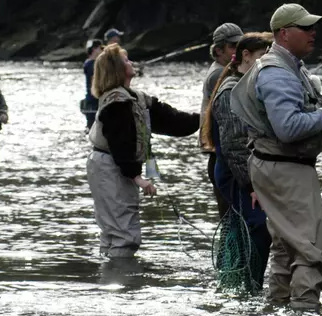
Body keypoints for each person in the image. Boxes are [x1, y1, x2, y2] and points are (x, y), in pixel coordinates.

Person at [231, 3, 322, 311]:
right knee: (311, 249)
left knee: (285, 247)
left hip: (276, 166)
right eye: (306, 28)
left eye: (313, 27)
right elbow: (288, 128)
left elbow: (310, 115)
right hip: (286, 169)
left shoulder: (291, 68)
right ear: (284, 34)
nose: (313, 33)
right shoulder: (277, 74)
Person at [87, 44, 199, 258]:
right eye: (126, 60)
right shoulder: (116, 103)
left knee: (114, 231)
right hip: (109, 166)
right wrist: (138, 178)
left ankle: (109, 280)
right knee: (124, 235)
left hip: (113, 165)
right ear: (117, 69)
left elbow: (171, 121)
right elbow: (120, 144)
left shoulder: (135, 98)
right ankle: (124, 285)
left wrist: (203, 119)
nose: (131, 63)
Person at [200, 32, 274, 290]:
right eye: (262, 57)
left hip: (244, 172)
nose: (266, 64)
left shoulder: (247, 85)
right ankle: (249, 286)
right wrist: (253, 186)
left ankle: (243, 281)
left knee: (246, 229)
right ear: (246, 56)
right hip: (234, 173)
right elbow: (233, 146)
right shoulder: (231, 89)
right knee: (256, 229)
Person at [201, 23, 244, 214]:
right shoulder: (219, 74)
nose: (240, 50)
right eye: (233, 46)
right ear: (218, 50)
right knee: (232, 218)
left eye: (241, 45)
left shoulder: (226, 69)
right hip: (222, 155)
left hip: (226, 153)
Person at [81, 39, 103, 130]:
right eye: (100, 48)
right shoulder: (92, 65)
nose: (102, 51)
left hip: (91, 99)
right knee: (93, 127)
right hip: (94, 100)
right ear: (94, 49)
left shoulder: (88, 62)